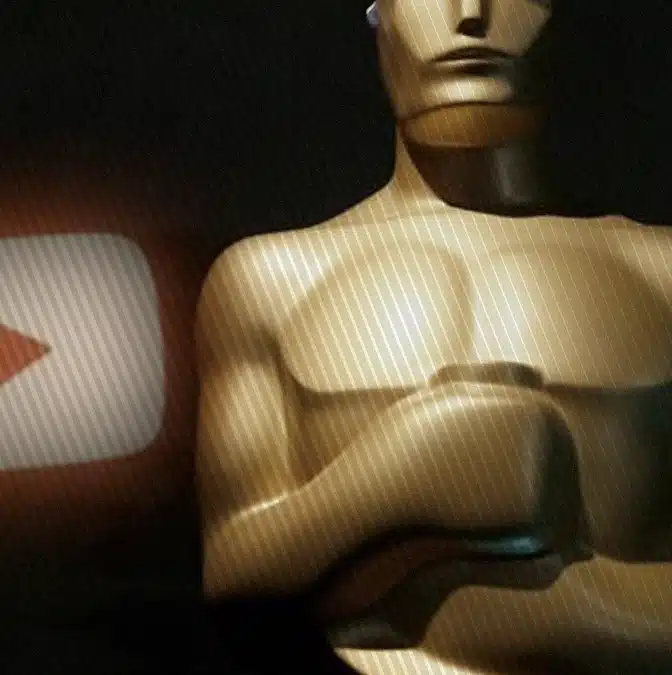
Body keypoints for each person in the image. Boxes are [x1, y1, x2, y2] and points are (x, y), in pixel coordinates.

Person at [196, 1, 672, 672]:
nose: (470, 14)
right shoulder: (270, 280)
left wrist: (570, 607)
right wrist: (400, 475)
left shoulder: (660, 271)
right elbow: (233, 564)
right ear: (380, 17)